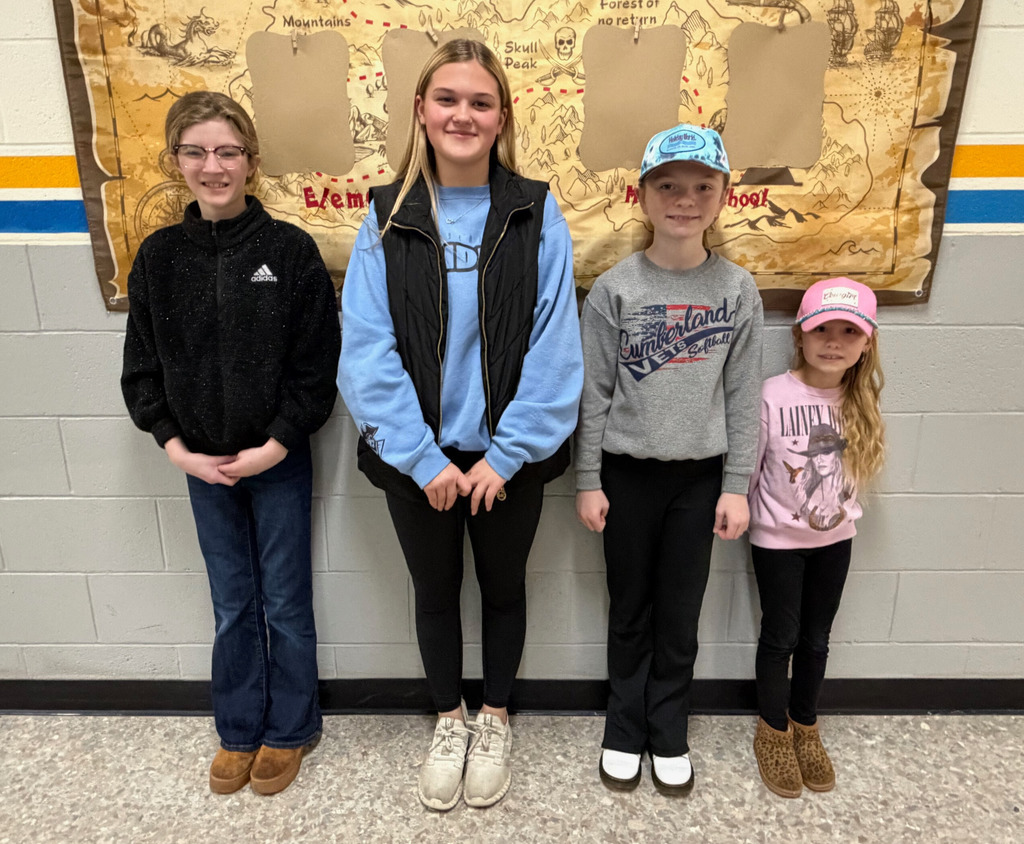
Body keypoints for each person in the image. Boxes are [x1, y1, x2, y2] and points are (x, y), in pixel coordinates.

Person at [337, 39, 583, 810]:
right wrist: (422, 458)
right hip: (422, 463)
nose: (463, 115)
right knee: (435, 590)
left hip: (508, 460)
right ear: (420, 110)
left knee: (504, 588)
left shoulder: (536, 212)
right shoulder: (385, 217)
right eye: (447, 99)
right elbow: (365, 349)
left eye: (480, 102)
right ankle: (449, 718)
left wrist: (505, 456)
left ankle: (497, 715)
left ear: (502, 116)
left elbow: (555, 345)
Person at [121, 91, 341, 796]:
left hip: (275, 460)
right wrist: (175, 446)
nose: (212, 166)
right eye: (196, 152)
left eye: (227, 152)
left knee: (284, 599)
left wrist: (276, 444)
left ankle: (290, 729)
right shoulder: (159, 258)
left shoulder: (288, 251)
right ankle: (239, 727)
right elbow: (141, 367)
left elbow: (317, 367)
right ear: (176, 160)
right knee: (232, 602)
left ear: (250, 161)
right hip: (199, 462)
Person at [575, 124, 764, 794]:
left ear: (722, 198)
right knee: (629, 608)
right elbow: (593, 392)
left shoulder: (737, 290)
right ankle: (624, 728)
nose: (684, 200)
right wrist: (589, 480)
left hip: (699, 480)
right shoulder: (614, 289)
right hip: (626, 477)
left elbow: (743, 397)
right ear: (643, 194)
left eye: (701, 187)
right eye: (668, 186)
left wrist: (736, 485)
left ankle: (669, 729)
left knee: (680, 613)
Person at [747, 277, 884, 798]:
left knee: (817, 639)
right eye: (822, 328)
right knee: (779, 637)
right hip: (777, 541)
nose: (833, 341)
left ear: (866, 342)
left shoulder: (860, 399)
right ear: (799, 334)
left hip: (836, 539)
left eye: (849, 331)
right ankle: (773, 731)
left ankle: (805, 724)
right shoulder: (772, 395)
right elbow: (752, 469)